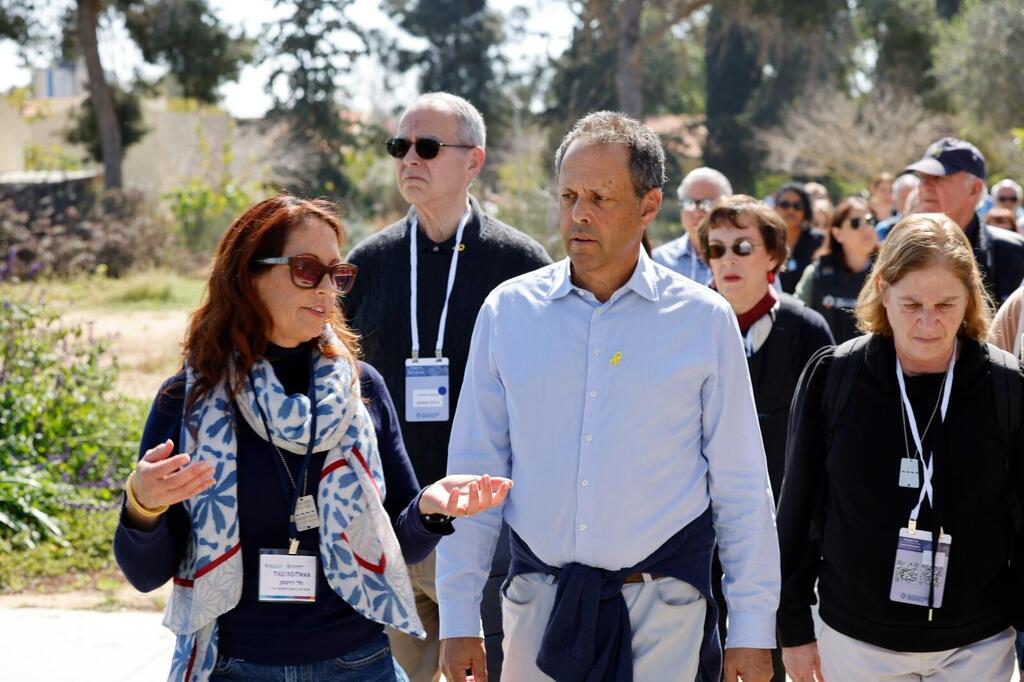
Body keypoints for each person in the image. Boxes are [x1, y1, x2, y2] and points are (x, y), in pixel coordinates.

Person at [437, 111, 780, 682]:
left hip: (664, 616)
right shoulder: (507, 313)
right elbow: (472, 473)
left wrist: (751, 630)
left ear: (650, 206)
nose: (579, 214)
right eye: (569, 195)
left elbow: (742, 486)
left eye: (600, 196)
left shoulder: (703, 320)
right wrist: (457, 616)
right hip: (538, 609)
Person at [113, 195, 512, 682]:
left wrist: (430, 508)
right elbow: (145, 573)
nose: (327, 288)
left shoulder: (360, 389)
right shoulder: (188, 403)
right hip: (234, 667)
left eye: (337, 274)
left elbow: (399, 545)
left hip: (358, 663)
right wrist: (143, 505)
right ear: (248, 273)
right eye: (307, 269)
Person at [342, 92, 550, 682]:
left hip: (489, 528)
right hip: (392, 524)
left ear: (474, 161)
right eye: (399, 146)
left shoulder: (520, 264)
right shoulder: (368, 262)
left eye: (427, 147)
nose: (410, 158)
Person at [778, 212, 1022, 682]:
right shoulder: (835, 377)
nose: (928, 323)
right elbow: (796, 513)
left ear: (969, 297)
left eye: (946, 304)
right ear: (883, 291)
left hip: (977, 646)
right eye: (912, 303)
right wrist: (792, 628)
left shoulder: (1005, 385)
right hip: (856, 642)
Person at [699, 195, 834, 682]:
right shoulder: (687, 324)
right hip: (699, 530)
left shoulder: (807, 330)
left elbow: (828, 442)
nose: (728, 260)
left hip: (781, 531)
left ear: (774, 255)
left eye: (742, 246)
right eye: (716, 250)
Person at [905, 137, 1024, 305]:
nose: (925, 186)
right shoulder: (899, 251)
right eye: (922, 177)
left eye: (938, 177)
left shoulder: (1013, 253)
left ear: (974, 189)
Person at [796, 197, 880, 343]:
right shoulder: (816, 273)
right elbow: (796, 319)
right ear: (837, 233)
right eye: (856, 223)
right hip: (827, 362)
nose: (867, 228)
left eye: (870, 221)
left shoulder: (890, 273)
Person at [652, 166, 732, 284]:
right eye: (689, 202)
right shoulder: (658, 261)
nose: (697, 212)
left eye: (708, 203)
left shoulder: (740, 257)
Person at [773, 183, 824, 293]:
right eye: (785, 204)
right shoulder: (767, 240)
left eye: (797, 206)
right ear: (776, 208)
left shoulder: (818, 241)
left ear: (805, 210)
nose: (791, 210)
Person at [875, 173, 920, 241]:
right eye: (903, 199)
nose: (908, 204)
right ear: (895, 200)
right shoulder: (884, 229)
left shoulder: (933, 228)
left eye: (913, 199)